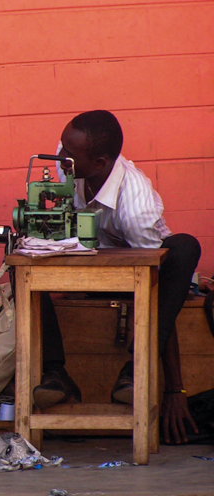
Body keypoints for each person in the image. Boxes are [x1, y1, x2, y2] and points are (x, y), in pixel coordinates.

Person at [34, 110, 201, 445]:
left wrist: (174, 388)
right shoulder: (69, 160)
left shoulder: (135, 204)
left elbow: (155, 291)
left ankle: (135, 369)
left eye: (69, 154)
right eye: (62, 147)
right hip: (89, 270)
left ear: (99, 163)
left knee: (184, 248)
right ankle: (55, 374)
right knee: (18, 260)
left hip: (135, 277)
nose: (61, 156)